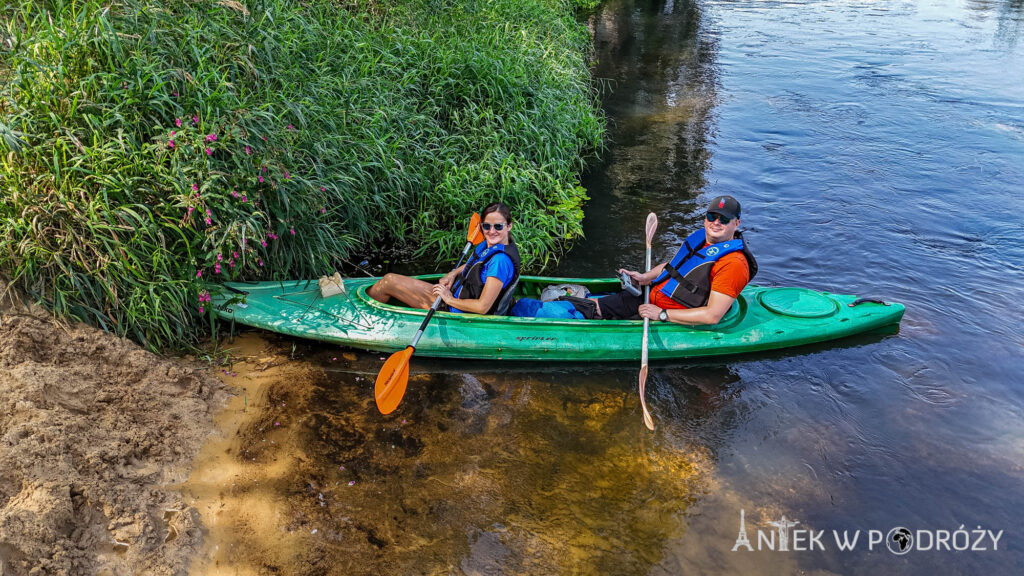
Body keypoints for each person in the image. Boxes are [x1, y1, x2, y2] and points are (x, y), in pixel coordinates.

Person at [592, 195, 757, 325]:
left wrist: (662, 314)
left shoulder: (733, 264)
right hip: (651, 297)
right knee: (590, 306)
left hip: (668, 316)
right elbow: (672, 267)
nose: (716, 223)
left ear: (737, 223)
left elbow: (712, 316)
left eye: (724, 219)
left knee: (593, 314)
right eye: (712, 216)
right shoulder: (702, 239)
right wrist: (645, 277)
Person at [366, 202, 521, 315]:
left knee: (389, 281)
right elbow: (476, 263)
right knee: (389, 280)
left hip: (457, 311)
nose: (491, 231)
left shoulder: (500, 262)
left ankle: (365, 317)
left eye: (498, 226)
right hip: (455, 296)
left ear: (509, 226)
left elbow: (482, 307)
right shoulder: (492, 246)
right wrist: (452, 274)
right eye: (486, 226)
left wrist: (448, 299)